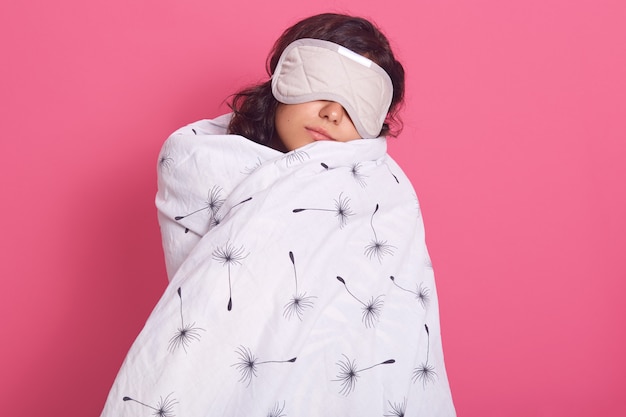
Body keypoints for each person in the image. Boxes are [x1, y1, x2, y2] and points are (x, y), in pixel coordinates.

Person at [101, 13, 456, 417]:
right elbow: (216, 307)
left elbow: (395, 330)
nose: (333, 113)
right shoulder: (196, 161)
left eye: (359, 102)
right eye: (322, 84)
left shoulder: (382, 196)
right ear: (281, 80)